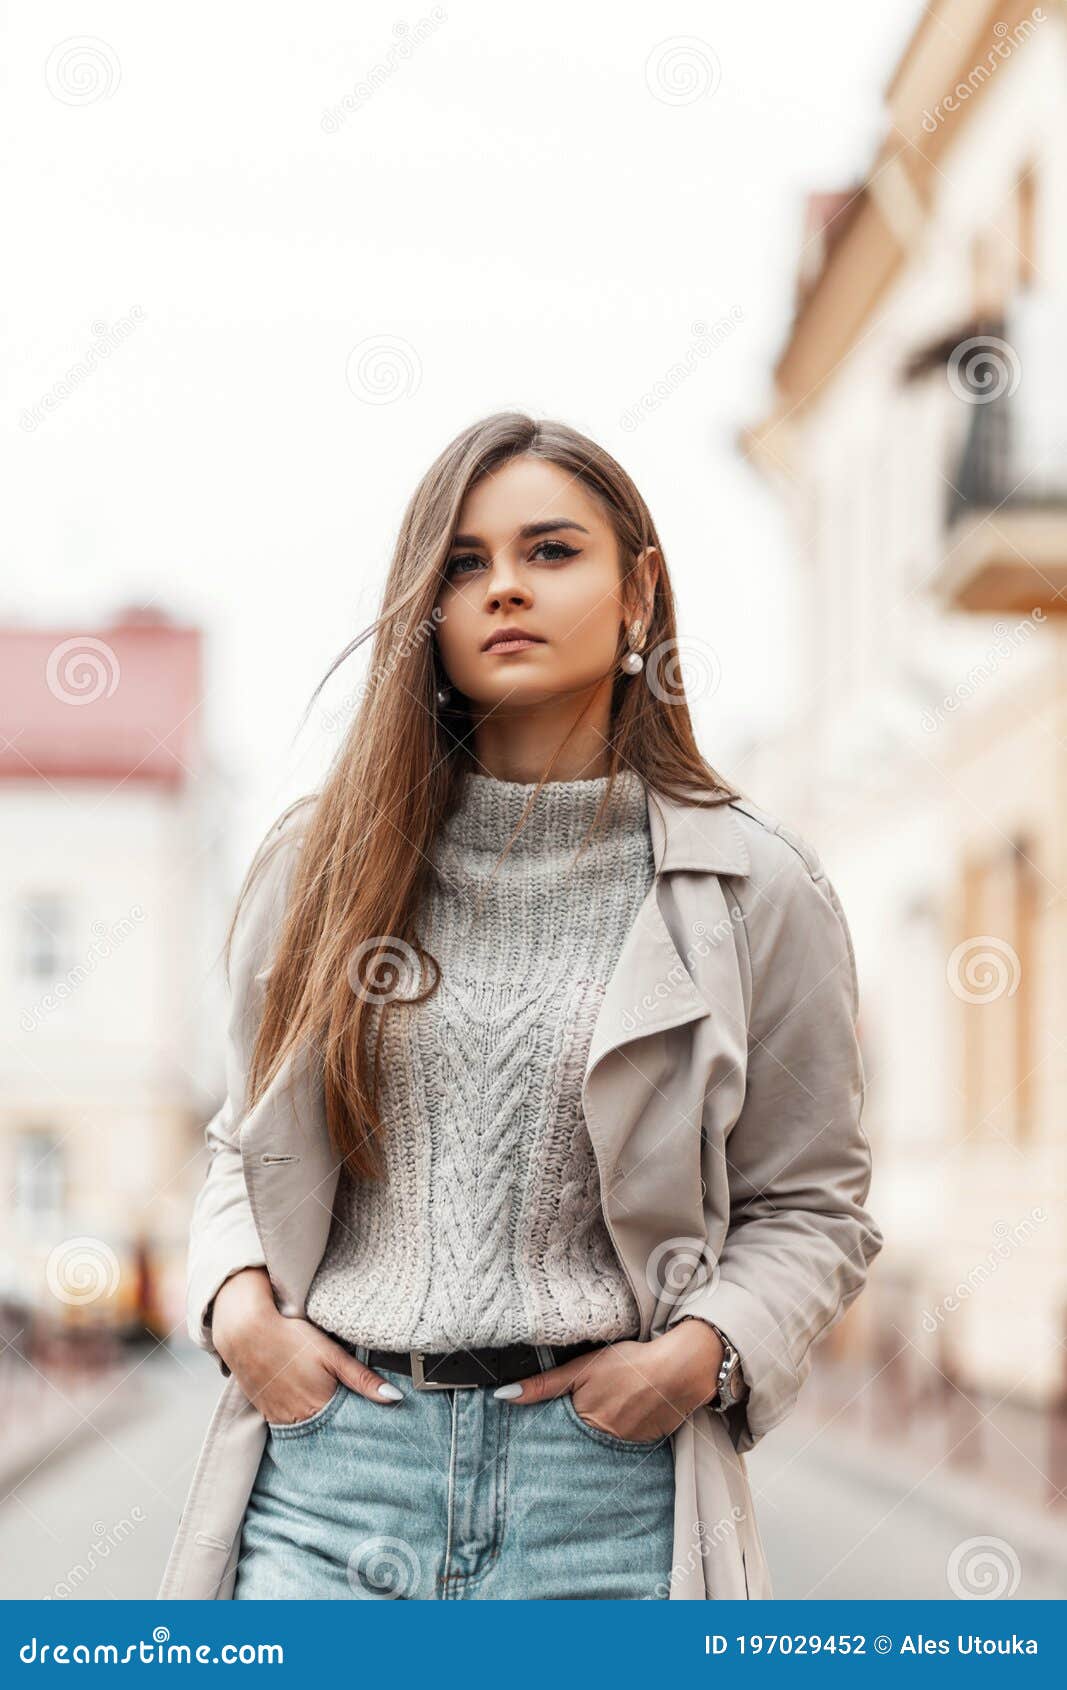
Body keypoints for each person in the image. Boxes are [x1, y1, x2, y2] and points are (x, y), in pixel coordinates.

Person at [160, 412, 881, 1602]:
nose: (503, 588)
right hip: (332, 1479)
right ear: (426, 610)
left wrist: (694, 1361)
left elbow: (810, 1202)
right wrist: (242, 1313)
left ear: (636, 591)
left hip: (605, 1495)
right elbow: (247, 1141)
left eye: (550, 551)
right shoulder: (321, 866)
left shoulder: (756, 888)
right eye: (463, 563)